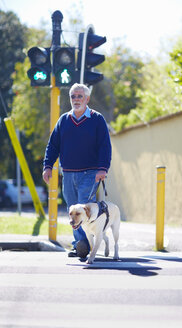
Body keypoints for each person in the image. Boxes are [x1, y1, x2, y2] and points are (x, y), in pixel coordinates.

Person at [42, 83, 112, 258]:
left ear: (87, 99)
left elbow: (105, 146)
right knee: (72, 209)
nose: (76, 99)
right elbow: (53, 146)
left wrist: (103, 168)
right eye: (73, 96)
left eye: (80, 96)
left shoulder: (97, 119)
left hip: (90, 172)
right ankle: (80, 244)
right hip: (68, 173)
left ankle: (84, 244)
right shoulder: (64, 120)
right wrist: (48, 166)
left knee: (82, 206)